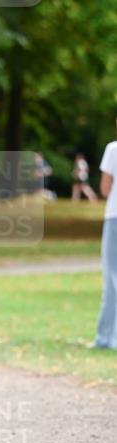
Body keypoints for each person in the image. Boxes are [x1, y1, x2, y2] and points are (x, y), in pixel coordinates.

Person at [94, 126, 117, 350]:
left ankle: (105, 338)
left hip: (114, 217)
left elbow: (105, 189)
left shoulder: (113, 149)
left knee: (111, 278)